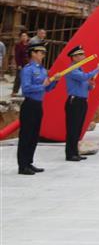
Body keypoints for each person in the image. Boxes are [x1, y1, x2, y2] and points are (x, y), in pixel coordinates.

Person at [17, 42, 58, 175]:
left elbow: (48, 89)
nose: (43, 55)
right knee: (26, 135)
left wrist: (54, 81)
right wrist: (43, 85)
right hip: (29, 104)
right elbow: (26, 88)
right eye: (41, 52)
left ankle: (29, 162)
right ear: (33, 53)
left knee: (34, 135)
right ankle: (23, 165)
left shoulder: (43, 70)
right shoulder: (27, 70)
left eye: (44, 53)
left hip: (38, 105)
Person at [63, 46, 99, 161]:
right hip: (74, 101)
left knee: (78, 128)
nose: (83, 57)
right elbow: (83, 77)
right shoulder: (72, 69)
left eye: (83, 54)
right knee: (72, 128)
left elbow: (83, 84)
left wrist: (90, 86)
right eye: (81, 55)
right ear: (74, 57)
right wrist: (97, 70)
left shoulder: (80, 69)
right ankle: (70, 154)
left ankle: (75, 152)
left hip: (82, 101)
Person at [12, 31, 29, 95]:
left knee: (27, 78)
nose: (24, 37)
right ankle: (14, 91)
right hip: (21, 64)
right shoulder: (18, 45)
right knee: (18, 78)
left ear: (27, 37)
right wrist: (18, 64)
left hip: (28, 64)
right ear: (20, 38)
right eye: (22, 36)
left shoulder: (29, 45)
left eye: (25, 36)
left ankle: (25, 92)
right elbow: (17, 56)